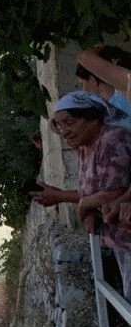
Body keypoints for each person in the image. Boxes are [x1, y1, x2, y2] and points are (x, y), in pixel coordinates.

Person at [32, 92, 131, 297]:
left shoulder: (112, 140)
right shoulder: (85, 148)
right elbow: (98, 191)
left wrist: (84, 205)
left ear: (93, 118)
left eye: (69, 122)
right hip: (120, 242)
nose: (64, 132)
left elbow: (116, 193)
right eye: (59, 126)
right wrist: (87, 209)